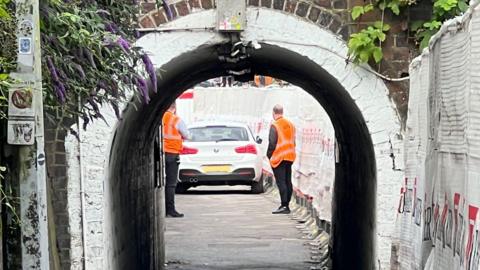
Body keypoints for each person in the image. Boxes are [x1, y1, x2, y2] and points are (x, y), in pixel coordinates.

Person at [267, 104, 296, 214]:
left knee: (281, 182)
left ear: (274, 113)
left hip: (279, 157)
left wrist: (269, 156)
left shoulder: (275, 125)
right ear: (282, 112)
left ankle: (284, 205)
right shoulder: (291, 124)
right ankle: (287, 204)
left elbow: (272, 143)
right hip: (290, 156)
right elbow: (294, 141)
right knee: (288, 181)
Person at [162, 102, 189, 218]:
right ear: (174, 108)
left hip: (161, 153)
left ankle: (166, 208)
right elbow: (187, 135)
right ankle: (170, 210)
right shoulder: (176, 120)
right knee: (171, 184)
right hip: (172, 153)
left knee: (162, 183)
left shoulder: (160, 118)